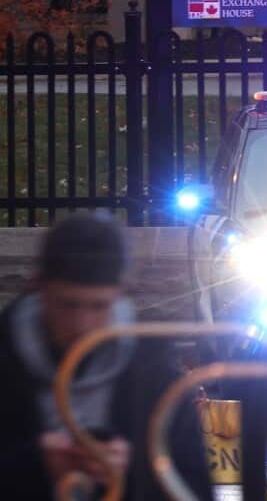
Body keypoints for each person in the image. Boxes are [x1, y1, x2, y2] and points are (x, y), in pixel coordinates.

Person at [0, 212, 214, 500]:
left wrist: (131, 471)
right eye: (68, 305)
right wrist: (35, 465)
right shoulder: (7, 356)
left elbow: (194, 486)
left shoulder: (153, 369)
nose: (82, 325)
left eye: (98, 307)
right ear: (39, 289)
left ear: (121, 295)